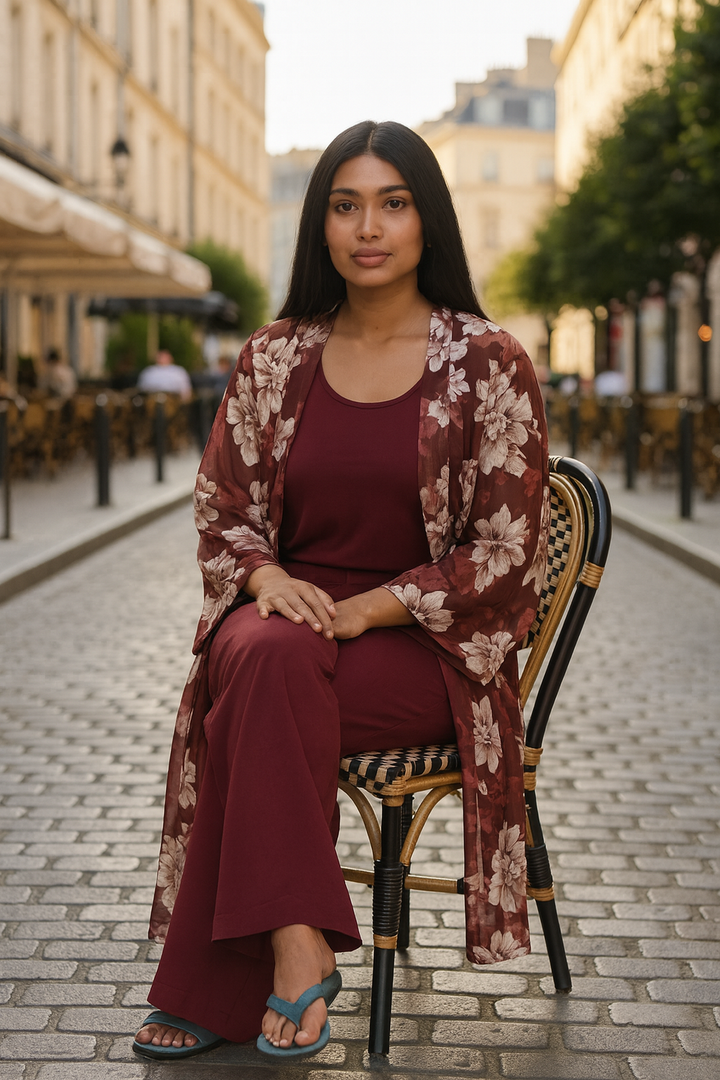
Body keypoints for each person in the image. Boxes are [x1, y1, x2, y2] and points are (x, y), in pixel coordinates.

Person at [133, 120, 549, 1062]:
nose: (369, 227)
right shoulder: (274, 356)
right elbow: (222, 502)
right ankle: (299, 945)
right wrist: (268, 576)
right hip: (284, 617)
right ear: (320, 226)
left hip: (424, 648)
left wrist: (369, 608)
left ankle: (229, 978)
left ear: (427, 220)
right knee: (264, 657)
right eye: (345, 205)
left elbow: (504, 550)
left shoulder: (487, 361)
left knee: (253, 688)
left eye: (393, 204)